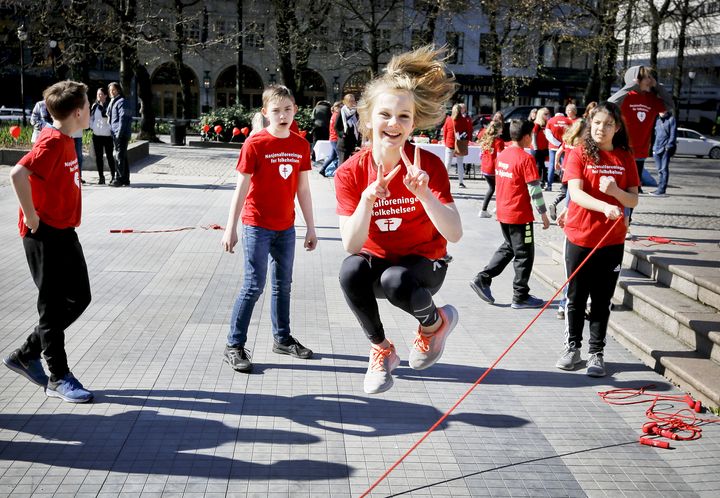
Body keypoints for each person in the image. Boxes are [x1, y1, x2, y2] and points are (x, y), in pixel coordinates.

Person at [334, 45, 462, 394]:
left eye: (404, 117)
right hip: (379, 265)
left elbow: (455, 233)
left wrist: (424, 194)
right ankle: (381, 350)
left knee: (396, 279)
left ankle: (435, 325)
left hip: (423, 267)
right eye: (385, 114)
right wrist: (366, 199)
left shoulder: (428, 166)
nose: (394, 124)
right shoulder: (349, 173)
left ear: (414, 122)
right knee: (350, 269)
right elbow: (351, 244)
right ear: (368, 118)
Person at [3, 80, 93, 403]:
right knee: (52, 306)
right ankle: (58, 376)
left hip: (65, 230)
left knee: (80, 296)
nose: (92, 111)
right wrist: (30, 215)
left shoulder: (68, 138)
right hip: (43, 234)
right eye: (88, 105)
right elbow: (17, 174)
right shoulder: (53, 142)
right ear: (78, 112)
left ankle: (27, 353)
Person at [221, 85, 317, 374]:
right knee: (253, 286)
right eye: (276, 111)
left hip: (286, 227)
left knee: (282, 285)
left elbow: (303, 189)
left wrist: (311, 228)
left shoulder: (300, 145)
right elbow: (241, 188)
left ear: (295, 110)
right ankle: (234, 345)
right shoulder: (255, 144)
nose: (282, 115)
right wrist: (231, 228)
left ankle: (283, 338)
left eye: (287, 109)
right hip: (256, 225)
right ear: (265, 113)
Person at [555, 101, 639, 377]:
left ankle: (596, 353)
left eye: (608, 124)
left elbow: (633, 199)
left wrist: (615, 192)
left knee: (602, 300)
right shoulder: (579, 153)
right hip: (580, 236)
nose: (602, 128)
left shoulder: (625, 158)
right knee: (576, 298)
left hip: (612, 241)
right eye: (598, 123)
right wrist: (604, 206)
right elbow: (575, 193)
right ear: (591, 124)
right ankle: (572, 348)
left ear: (617, 128)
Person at [470, 119, 549, 309]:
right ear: (527, 136)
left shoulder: (503, 155)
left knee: (510, 247)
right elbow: (534, 190)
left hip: (505, 212)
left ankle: (483, 278)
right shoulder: (526, 158)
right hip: (519, 215)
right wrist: (544, 214)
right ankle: (520, 296)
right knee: (525, 254)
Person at [608, 66, 673, 191]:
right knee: (620, 185)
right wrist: (630, 86)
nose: (650, 80)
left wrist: (658, 86)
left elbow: (670, 105)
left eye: (650, 77)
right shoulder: (626, 96)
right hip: (622, 148)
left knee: (634, 189)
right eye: (646, 77)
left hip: (641, 150)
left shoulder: (652, 99)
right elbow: (610, 103)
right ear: (636, 79)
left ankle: (628, 210)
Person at [545, 103, 577, 192]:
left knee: (551, 165)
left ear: (554, 111)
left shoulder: (550, 121)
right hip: (565, 146)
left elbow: (548, 135)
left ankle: (549, 185)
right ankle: (564, 185)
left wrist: (556, 143)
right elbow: (572, 133)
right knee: (564, 166)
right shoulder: (568, 121)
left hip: (553, 147)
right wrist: (561, 144)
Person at [107, 82, 133, 187]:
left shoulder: (121, 101)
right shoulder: (114, 101)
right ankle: (125, 179)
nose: (111, 92)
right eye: (110, 90)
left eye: (113, 90)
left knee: (119, 156)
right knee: (122, 156)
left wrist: (119, 133)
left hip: (120, 133)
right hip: (116, 132)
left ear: (118, 90)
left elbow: (123, 119)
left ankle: (118, 179)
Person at [478, 121, 504, 218]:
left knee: (492, 188)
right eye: (501, 128)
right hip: (494, 168)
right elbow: (500, 156)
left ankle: (486, 209)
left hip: (485, 167)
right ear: (498, 129)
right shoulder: (499, 142)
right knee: (498, 188)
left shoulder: (486, 139)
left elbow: (481, 154)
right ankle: (493, 209)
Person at [442, 103, 472, 188]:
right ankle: (461, 182)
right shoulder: (464, 120)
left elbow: (445, 132)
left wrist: (445, 142)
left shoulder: (448, 120)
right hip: (460, 145)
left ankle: (444, 181)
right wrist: (466, 142)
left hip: (449, 143)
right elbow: (467, 132)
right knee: (460, 163)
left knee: (447, 164)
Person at [90, 87, 116, 185]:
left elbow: (111, 119)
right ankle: (101, 177)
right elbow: (91, 118)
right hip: (97, 135)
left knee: (109, 156)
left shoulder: (109, 105)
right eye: (98, 94)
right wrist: (93, 127)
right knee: (98, 157)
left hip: (107, 135)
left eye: (101, 94)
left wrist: (109, 129)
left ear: (105, 95)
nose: (99, 96)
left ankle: (113, 176)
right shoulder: (94, 106)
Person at [651, 110, 676, 196]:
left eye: (663, 110)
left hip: (665, 148)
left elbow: (673, 134)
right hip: (656, 148)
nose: (661, 112)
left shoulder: (671, 119)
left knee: (664, 169)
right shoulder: (657, 120)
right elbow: (655, 135)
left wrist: (668, 146)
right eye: (660, 110)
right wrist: (653, 148)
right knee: (659, 170)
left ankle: (662, 189)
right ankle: (659, 188)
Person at [335, 93, 359, 166]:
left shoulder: (356, 112)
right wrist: (342, 134)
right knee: (343, 164)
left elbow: (358, 125)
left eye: (353, 101)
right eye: (350, 101)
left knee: (353, 164)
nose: (352, 103)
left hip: (353, 143)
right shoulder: (341, 112)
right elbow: (336, 126)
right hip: (343, 143)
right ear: (345, 102)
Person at [319, 101, 341, 177]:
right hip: (335, 138)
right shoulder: (336, 116)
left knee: (332, 156)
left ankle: (322, 169)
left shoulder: (333, 115)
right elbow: (337, 128)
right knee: (339, 157)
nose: (341, 108)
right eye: (340, 107)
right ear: (336, 108)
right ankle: (338, 174)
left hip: (332, 138)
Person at [531, 107, 550, 188]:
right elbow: (533, 136)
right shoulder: (536, 124)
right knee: (537, 166)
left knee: (542, 166)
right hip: (537, 149)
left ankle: (541, 182)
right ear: (541, 115)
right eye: (545, 114)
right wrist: (535, 147)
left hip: (544, 148)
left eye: (548, 114)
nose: (547, 115)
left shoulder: (546, 124)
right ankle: (536, 182)